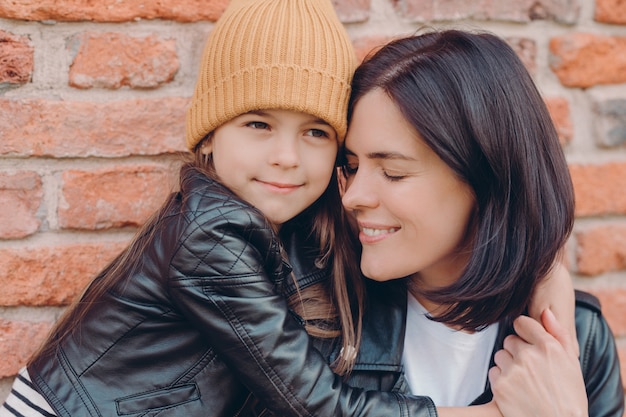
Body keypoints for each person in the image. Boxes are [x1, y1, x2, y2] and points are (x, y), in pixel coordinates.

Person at [0, 1, 582, 416]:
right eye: (257, 124)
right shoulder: (210, 234)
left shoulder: (302, 216)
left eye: (315, 134)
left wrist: (551, 289)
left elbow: (518, 205)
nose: (286, 158)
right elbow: (315, 405)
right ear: (208, 136)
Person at [340, 29, 624, 416]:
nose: (353, 196)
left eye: (392, 172)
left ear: (486, 178)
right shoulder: (321, 319)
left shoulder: (578, 336)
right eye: (352, 166)